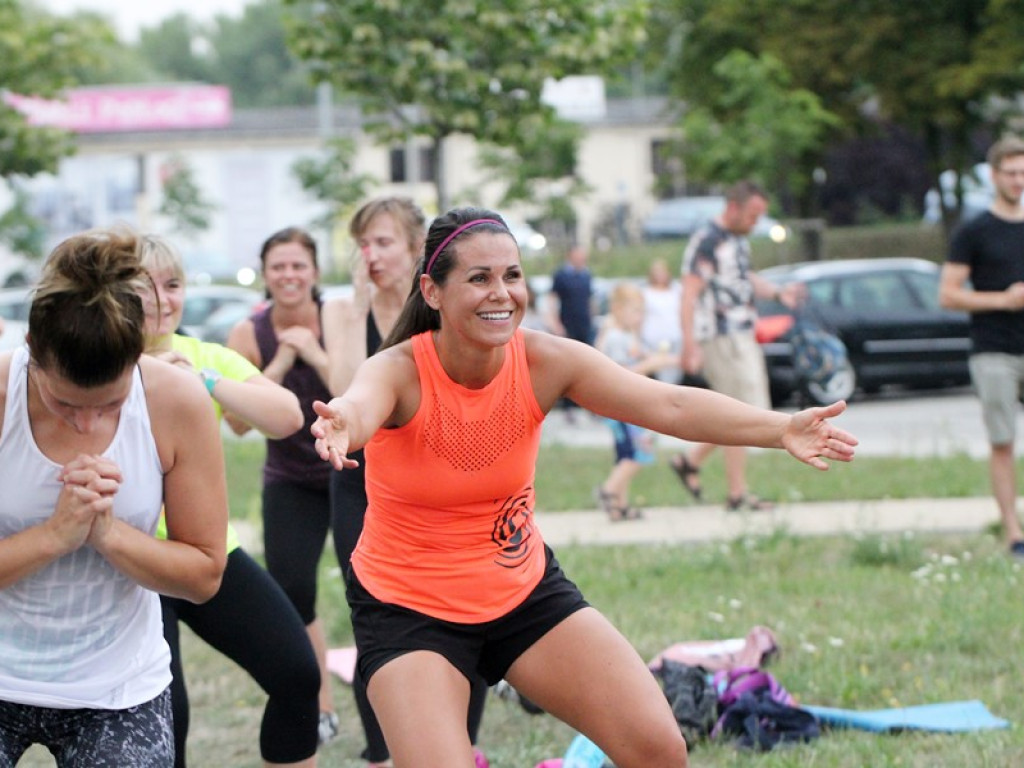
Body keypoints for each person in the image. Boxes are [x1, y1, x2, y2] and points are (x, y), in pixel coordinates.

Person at [309, 207, 857, 768]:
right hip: (408, 610)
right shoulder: (399, 370)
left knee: (658, 748)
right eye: (479, 278)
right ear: (432, 290)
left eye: (512, 275)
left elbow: (667, 403)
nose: (501, 293)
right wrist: (345, 423)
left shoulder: (545, 360)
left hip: (520, 591)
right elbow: (361, 401)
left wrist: (780, 427)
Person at [0, 228, 228, 766]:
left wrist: (107, 532)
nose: (86, 424)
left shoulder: (175, 401)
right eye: (64, 403)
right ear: (32, 351)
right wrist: (54, 536)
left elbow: (203, 575)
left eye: (109, 405)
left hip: (117, 687)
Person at [139, 234, 321, 767]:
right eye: (143, 286)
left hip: (207, 552)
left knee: (297, 673)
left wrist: (205, 382)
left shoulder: (203, 356)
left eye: (172, 285)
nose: (160, 299)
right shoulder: (99, 360)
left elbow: (286, 415)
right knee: (166, 714)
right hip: (132, 562)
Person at [322, 197, 489, 767]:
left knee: (468, 603)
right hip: (361, 479)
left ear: (419, 248)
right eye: (363, 244)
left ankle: (460, 740)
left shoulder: (444, 305)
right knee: (376, 612)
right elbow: (343, 386)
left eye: (384, 242)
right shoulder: (344, 310)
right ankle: (382, 752)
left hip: (442, 478)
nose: (371, 255)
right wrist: (358, 308)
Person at [225, 227, 340, 744]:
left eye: (298, 266)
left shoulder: (341, 319)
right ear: (265, 274)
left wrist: (315, 354)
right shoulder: (248, 333)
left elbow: (364, 391)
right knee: (293, 592)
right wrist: (281, 362)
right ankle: (321, 707)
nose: (289, 276)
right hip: (290, 478)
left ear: (315, 271)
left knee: (376, 591)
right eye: (279, 267)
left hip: (352, 472)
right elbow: (239, 424)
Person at [673, 181, 802, 511]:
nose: (755, 223)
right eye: (752, 215)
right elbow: (688, 294)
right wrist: (689, 344)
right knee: (738, 413)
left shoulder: (736, 241)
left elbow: (743, 280)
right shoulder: (708, 241)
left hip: (742, 332)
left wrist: (777, 293)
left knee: (743, 411)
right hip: (719, 335)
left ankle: (690, 461)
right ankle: (737, 494)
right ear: (733, 207)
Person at [940, 135, 1024, 560]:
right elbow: (949, 294)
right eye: (1011, 172)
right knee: (1003, 441)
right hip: (995, 349)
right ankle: (1013, 532)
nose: (1018, 180)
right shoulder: (974, 231)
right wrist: (1002, 299)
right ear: (994, 176)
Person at [594, 282, 677, 520]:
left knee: (624, 455)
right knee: (638, 452)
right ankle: (608, 491)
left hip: (624, 405)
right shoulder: (615, 337)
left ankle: (619, 505)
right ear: (618, 309)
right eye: (635, 311)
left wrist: (663, 359)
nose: (639, 317)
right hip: (621, 405)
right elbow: (622, 372)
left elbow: (639, 355)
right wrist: (651, 365)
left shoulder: (624, 335)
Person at [546, 243, 595, 422]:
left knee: (589, 366)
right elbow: (552, 299)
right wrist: (555, 324)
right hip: (567, 325)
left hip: (585, 325)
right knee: (567, 366)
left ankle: (592, 406)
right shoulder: (561, 275)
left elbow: (590, 300)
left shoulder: (586, 275)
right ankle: (569, 408)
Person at [641, 258, 684, 384]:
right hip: (654, 339)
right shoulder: (646, 292)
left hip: (676, 337)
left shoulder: (677, 289)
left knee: (675, 369)